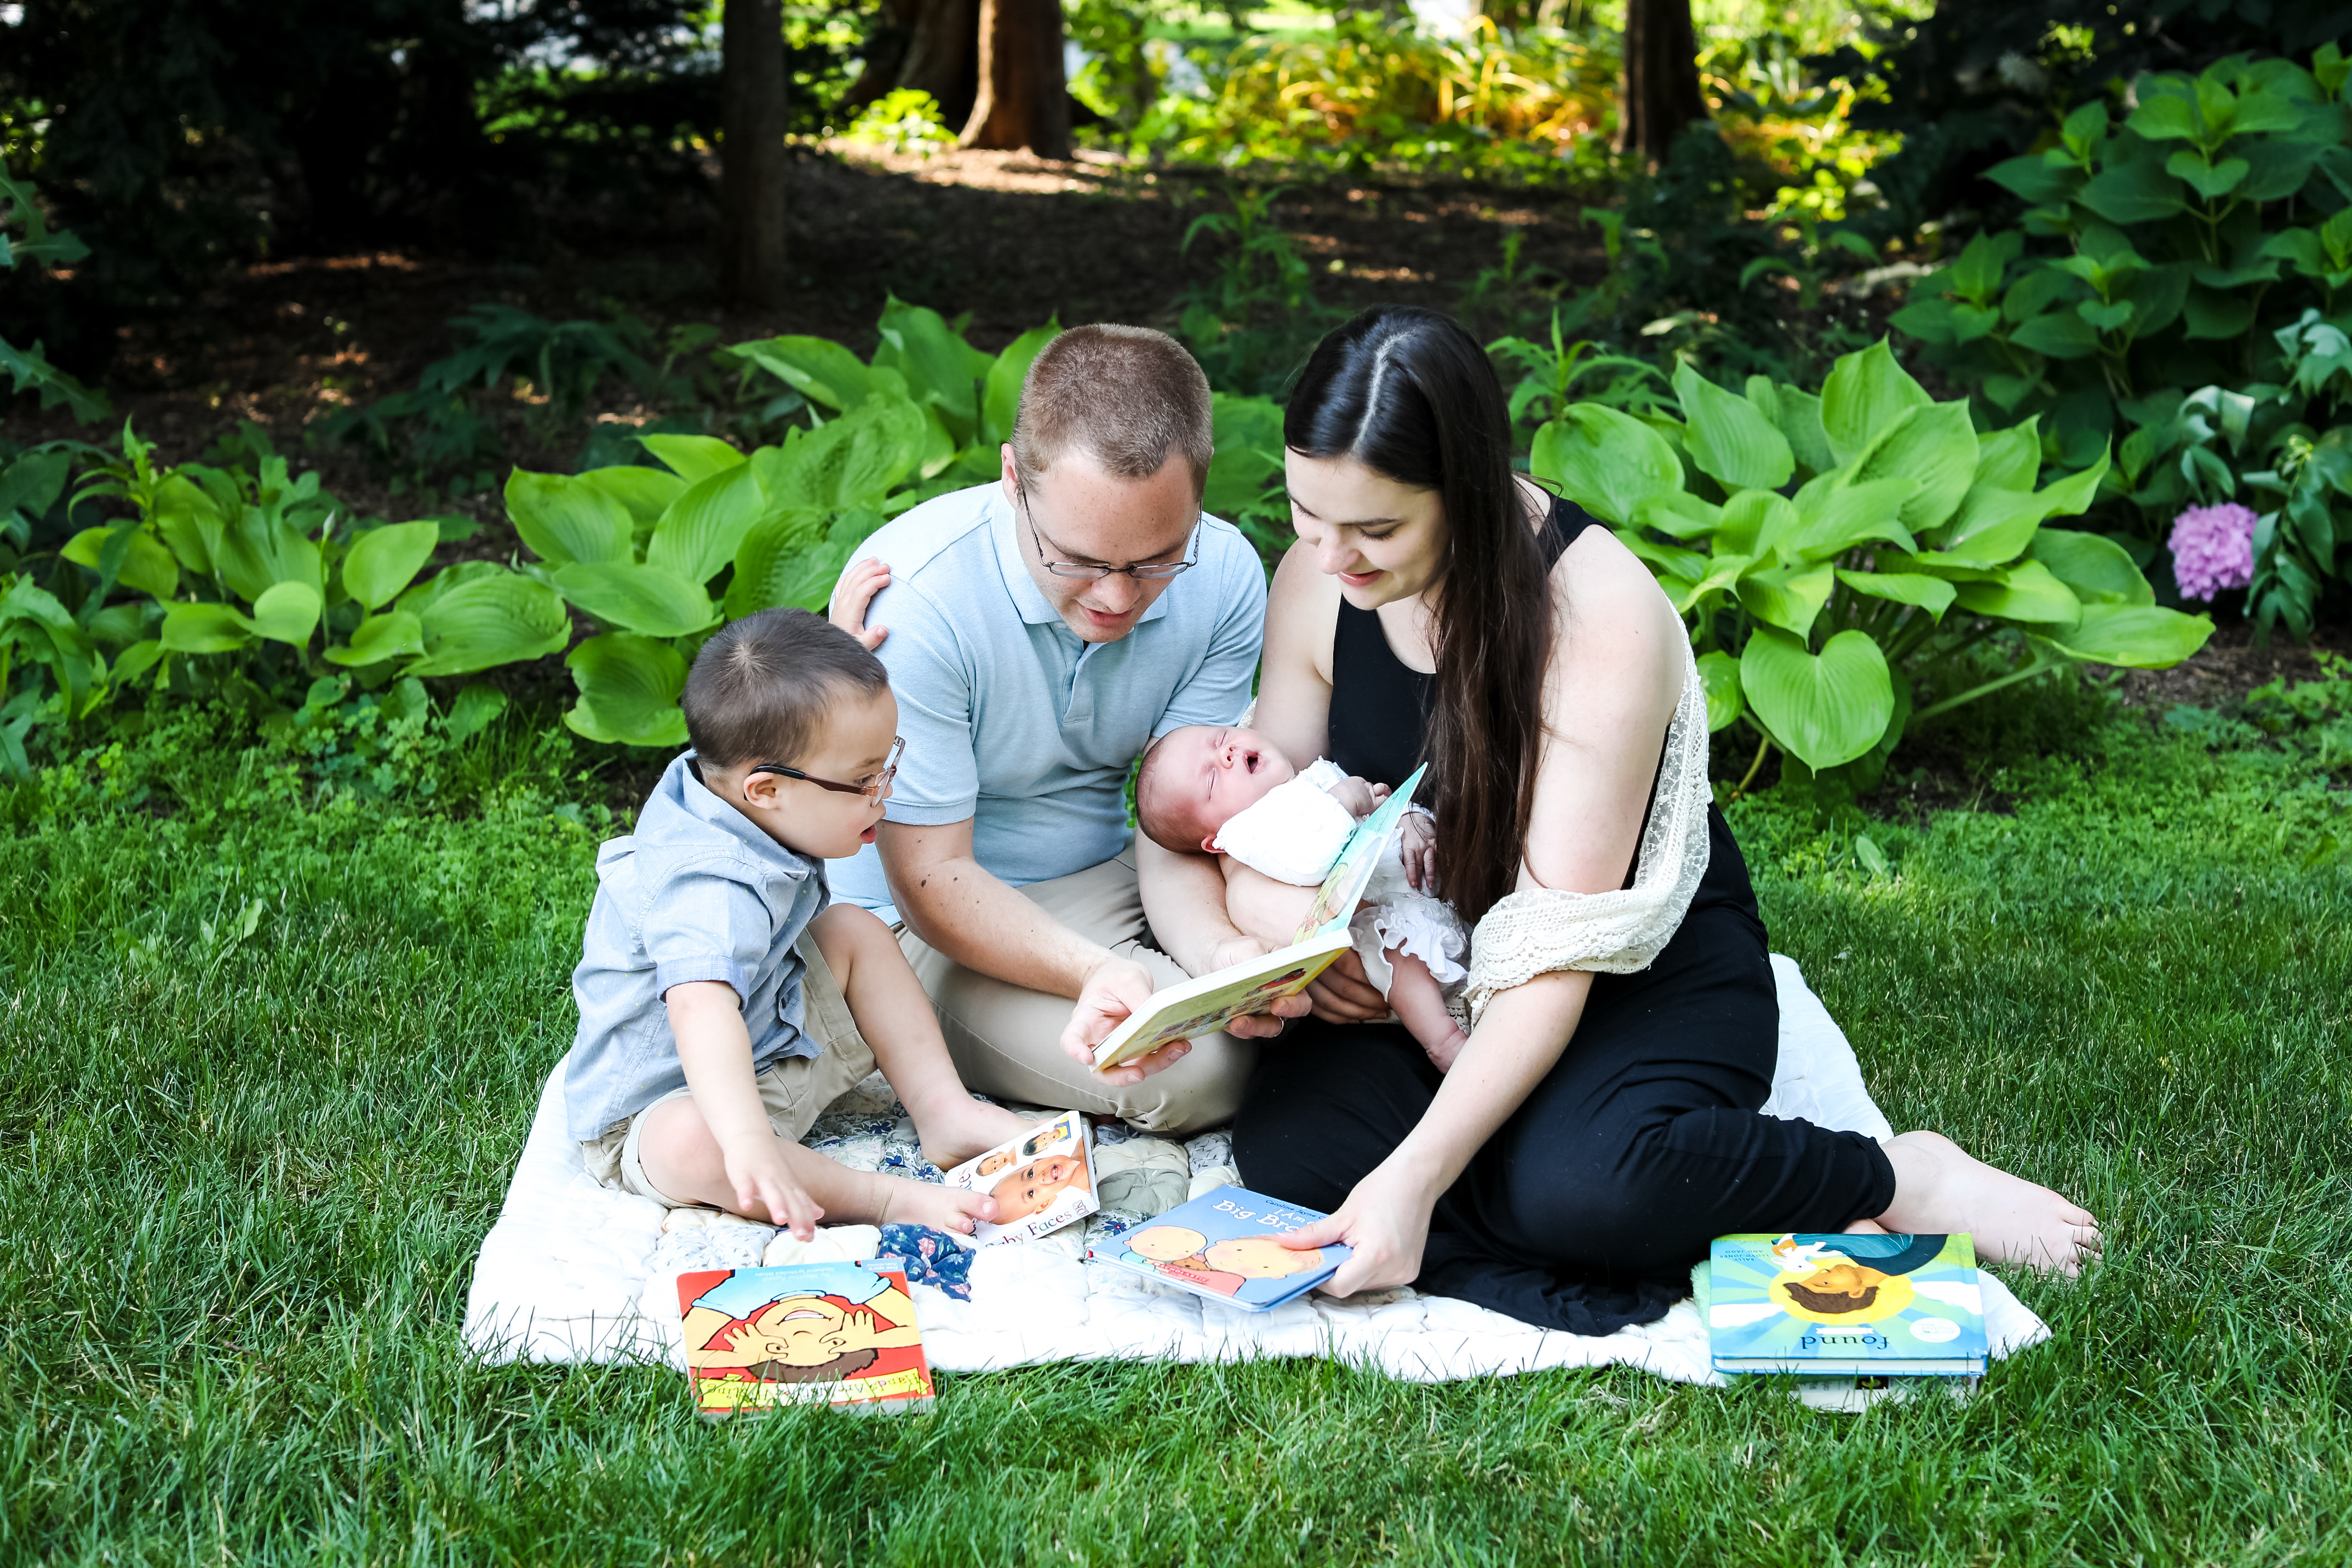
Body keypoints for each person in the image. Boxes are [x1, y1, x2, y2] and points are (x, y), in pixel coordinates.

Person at [1118, 306, 2101, 1337]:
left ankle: (1899, 1177)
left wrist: (1417, 1175)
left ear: (1464, 493)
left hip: (1620, 967)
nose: (1329, 559)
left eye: (1373, 531)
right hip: (1439, 962)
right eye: (1305, 516)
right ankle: (1589, 1201)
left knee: (1587, 1185)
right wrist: (1280, 938)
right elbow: (1265, 815)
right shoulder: (1316, 588)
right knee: (1294, 1151)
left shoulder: (1595, 617)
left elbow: (1555, 953)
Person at [823, 324, 1300, 1135]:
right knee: (1200, 1073)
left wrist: (1221, 954)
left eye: (1154, 559)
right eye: (1077, 559)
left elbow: (1178, 825)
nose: (1115, 597)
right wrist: (1101, 972)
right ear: (1013, 478)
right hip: (926, 922)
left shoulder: (1220, 576)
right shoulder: (920, 605)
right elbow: (929, 880)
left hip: (1105, 876)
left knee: (1290, 1018)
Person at [559, 608, 1034, 1240]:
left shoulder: (744, 774)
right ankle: (882, 1196)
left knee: (855, 932)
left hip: (767, 1045)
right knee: (691, 1143)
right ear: (766, 789)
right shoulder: (708, 886)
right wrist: (749, 1140)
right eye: (865, 779)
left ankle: (945, 1111)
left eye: (884, 764)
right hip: (669, 1108)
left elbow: (778, 707)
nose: (884, 792)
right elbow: (700, 1011)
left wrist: (840, 659)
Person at [1134, 722, 1468, 1065]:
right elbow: (1310, 858)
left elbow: (1381, 805)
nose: (1227, 754)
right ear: (1215, 840)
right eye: (1212, 780)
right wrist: (1342, 801)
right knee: (1396, 953)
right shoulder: (1249, 833)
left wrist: (1408, 820)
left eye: (1222, 739)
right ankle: (1443, 1039)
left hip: (1417, 885)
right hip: (1384, 916)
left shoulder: (1313, 775)